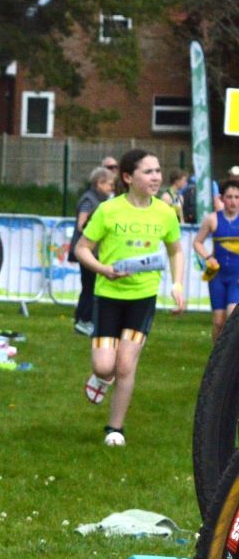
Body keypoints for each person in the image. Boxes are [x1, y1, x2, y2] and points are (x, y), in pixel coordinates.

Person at [73, 148, 185, 447]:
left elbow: (175, 250)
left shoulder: (165, 212)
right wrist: (103, 269)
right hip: (108, 296)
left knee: (125, 365)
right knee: (104, 365)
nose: (156, 177)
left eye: (158, 171)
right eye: (148, 171)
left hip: (143, 298)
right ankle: (100, 378)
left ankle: (115, 429)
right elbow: (81, 249)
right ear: (127, 177)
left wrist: (177, 286)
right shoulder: (109, 211)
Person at [71, 165, 115, 336]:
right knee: (90, 287)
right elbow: (82, 224)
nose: (111, 188)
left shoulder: (98, 200)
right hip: (88, 252)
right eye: (109, 184)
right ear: (99, 183)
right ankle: (84, 320)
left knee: (90, 287)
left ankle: (83, 320)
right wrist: (96, 232)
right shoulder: (89, 200)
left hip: (93, 252)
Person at [197, 179, 239, 340]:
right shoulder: (212, 219)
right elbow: (197, 242)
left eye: (237, 197)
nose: (233, 201)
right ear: (222, 198)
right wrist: (208, 257)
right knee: (218, 322)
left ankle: (231, 359)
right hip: (217, 277)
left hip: (236, 277)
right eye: (229, 197)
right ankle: (217, 359)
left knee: (232, 314)